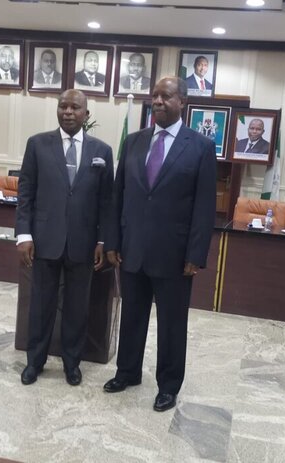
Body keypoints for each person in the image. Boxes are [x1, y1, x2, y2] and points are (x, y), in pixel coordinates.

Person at [103, 76, 216, 412]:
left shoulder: (200, 147)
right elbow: (118, 195)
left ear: (182, 101)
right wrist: (113, 241)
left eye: (165, 96)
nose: (157, 101)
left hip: (175, 254)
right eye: (154, 95)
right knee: (132, 315)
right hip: (133, 248)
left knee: (172, 323)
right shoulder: (134, 142)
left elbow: (204, 207)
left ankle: (168, 385)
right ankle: (127, 372)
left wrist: (196, 254)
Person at [15, 89, 114, 386]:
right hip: (44, 240)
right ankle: (35, 362)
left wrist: (102, 241)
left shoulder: (102, 151)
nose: (68, 112)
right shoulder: (37, 144)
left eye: (74, 107)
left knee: (76, 308)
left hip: (83, 244)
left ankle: (72, 364)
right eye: (63, 106)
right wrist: (23, 234)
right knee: (41, 306)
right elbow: (25, 193)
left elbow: (106, 202)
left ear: (86, 114)